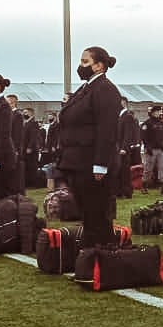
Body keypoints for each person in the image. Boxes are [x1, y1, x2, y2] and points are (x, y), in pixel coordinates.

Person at [58, 46, 122, 247]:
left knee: (97, 213)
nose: (80, 66)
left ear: (99, 66)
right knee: (88, 213)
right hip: (78, 161)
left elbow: (107, 129)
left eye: (85, 62)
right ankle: (91, 254)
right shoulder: (87, 88)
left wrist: (100, 163)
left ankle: (101, 255)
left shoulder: (105, 89)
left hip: (91, 162)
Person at [116, 96, 140, 198]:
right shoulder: (119, 116)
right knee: (119, 170)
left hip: (123, 149)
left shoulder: (128, 116)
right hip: (118, 148)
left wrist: (124, 148)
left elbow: (128, 133)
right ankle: (120, 191)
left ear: (124, 103)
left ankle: (127, 191)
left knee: (124, 171)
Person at [140, 105, 163, 189]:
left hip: (160, 149)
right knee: (148, 169)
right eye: (158, 112)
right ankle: (144, 185)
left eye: (160, 111)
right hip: (151, 150)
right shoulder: (147, 123)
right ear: (154, 112)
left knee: (162, 167)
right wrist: (148, 147)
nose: (159, 113)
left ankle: (162, 185)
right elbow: (143, 136)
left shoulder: (161, 123)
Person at [22, 108, 44, 187]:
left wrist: (30, 147)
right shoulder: (25, 123)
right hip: (24, 148)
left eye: (26, 112)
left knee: (32, 166)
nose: (24, 114)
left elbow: (33, 137)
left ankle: (34, 183)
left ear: (31, 113)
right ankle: (28, 182)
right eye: (23, 112)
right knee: (26, 166)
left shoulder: (34, 123)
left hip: (31, 149)